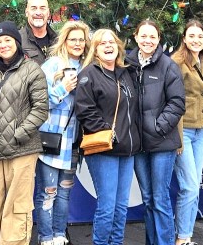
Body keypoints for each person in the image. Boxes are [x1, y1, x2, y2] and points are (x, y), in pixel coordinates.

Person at [0, 21, 48, 245]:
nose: (3, 45)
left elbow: (41, 108)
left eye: (7, 40)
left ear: (16, 42)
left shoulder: (32, 69)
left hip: (21, 151)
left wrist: (19, 134)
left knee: (17, 210)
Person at [74, 29, 141, 245]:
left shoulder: (126, 73)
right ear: (95, 49)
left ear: (119, 46)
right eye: (102, 43)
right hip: (105, 149)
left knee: (121, 205)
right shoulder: (89, 74)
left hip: (127, 150)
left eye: (112, 42)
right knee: (107, 205)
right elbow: (84, 110)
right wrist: (108, 132)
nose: (108, 46)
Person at [126, 20, 185, 245]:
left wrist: (158, 126)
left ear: (159, 39)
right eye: (144, 36)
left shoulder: (168, 66)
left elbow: (177, 102)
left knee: (160, 199)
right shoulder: (127, 64)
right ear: (136, 37)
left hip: (162, 142)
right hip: (139, 144)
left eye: (152, 36)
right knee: (148, 198)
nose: (148, 40)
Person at [34, 21, 91, 245]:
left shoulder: (88, 66)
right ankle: (46, 237)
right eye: (73, 39)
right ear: (64, 41)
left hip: (74, 142)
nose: (77, 44)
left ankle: (59, 235)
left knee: (64, 193)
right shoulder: (52, 65)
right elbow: (38, 101)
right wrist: (63, 89)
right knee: (48, 193)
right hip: (51, 139)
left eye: (81, 40)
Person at [171, 20, 203, 245]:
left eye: (200, 36)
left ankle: (186, 235)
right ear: (184, 38)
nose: (196, 40)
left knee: (194, 187)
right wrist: (177, 138)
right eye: (192, 36)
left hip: (200, 131)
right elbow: (172, 100)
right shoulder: (176, 62)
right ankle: (181, 239)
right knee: (188, 186)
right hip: (183, 131)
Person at [19, 0, 58, 65]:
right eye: (34, 8)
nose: (38, 13)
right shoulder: (18, 40)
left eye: (42, 8)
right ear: (26, 12)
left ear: (48, 13)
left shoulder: (59, 40)